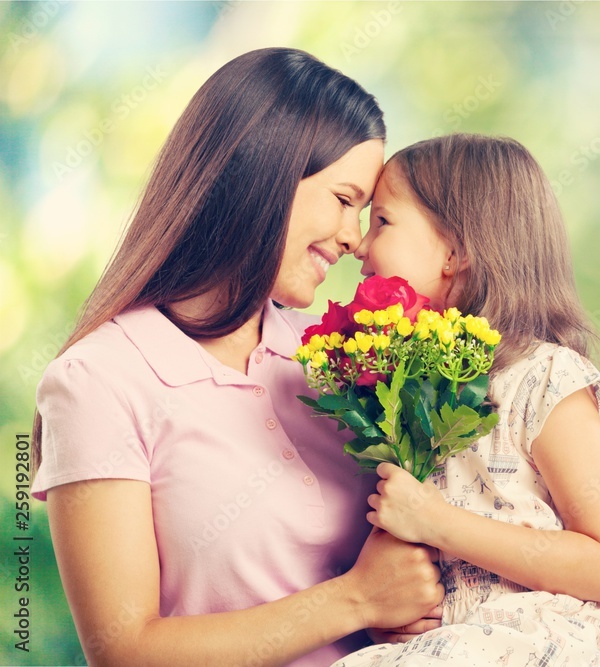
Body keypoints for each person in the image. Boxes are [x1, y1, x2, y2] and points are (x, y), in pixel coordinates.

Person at [30, 47, 444, 666]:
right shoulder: (98, 381)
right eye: (344, 199)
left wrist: (580, 637)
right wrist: (354, 601)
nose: (355, 237)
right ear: (266, 174)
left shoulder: (335, 354)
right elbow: (125, 651)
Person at [334, 133, 600, 667]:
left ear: (455, 253)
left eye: (383, 222)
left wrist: (437, 522)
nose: (357, 244)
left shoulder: (545, 379)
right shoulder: (409, 390)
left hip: (536, 644)